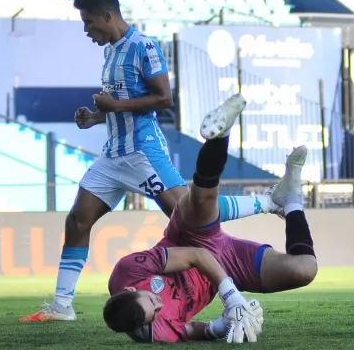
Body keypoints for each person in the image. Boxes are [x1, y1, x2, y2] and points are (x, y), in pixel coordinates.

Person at [19, 0, 281, 323]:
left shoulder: (144, 47)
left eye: (88, 23)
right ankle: (62, 305)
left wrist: (115, 105)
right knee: (77, 220)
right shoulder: (110, 52)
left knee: (191, 217)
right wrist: (98, 117)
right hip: (113, 156)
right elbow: (122, 106)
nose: (86, 31)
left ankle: (267, 203)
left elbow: (163, 98)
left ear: (107, 16)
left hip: (144, 152)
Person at [102, 94, 317, 343]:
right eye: (155, 313)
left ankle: (220, 135)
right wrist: (220, 326)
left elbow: (197, 255)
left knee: (201, 200)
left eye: (152, 300)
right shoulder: (151, 331)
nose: (159, 305)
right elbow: (191, 331)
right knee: (304, 270)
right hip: (227, 267)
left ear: (131, 290)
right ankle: (290, 201)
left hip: (191, 240)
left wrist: (231, 297)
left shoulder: (127, 272)